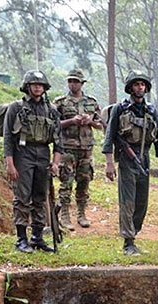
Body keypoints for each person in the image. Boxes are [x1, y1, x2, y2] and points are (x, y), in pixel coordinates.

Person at [101, 70, 158, 256]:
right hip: (126, 158)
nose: (140, 87)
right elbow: (109, 137)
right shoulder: (120, 109)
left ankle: (134, 232)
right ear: (130, 87)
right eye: (136, 84)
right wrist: (109, 163)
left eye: (143, 84)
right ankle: (128, 242)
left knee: (141, 203)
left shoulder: (151, 110)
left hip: (144, 159)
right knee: (128, 201)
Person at [3, 70, 62, 253]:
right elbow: (7, 138)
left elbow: (59, 141)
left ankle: (37, 237)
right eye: (34, 84)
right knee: (22, 197)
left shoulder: (51, 110)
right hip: (23, 153)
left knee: (40, 196)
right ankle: (21, 238)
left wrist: (55, 163)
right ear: (27, 87)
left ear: (45, 88)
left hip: (43, 154)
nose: (37, 87)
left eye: (41, 85)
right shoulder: (16, 107)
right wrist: (10, 164)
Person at [53, 69, 103, 231]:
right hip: (67, 148)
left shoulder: (92, 102)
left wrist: (90, 121)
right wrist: (72, 121)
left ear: (82, 83)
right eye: (70, 81)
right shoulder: (60, 103)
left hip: (86, 148)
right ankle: (65, 215)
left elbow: (102, 124)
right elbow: (54, 124)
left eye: (76, 81)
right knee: (66, 182)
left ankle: (82, 214)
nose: (73, 84)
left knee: (84, 181)